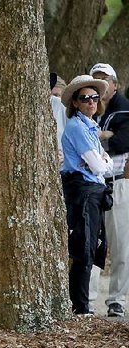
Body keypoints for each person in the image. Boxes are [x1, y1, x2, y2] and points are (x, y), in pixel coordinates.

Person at [59, 75, 111, 315]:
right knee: (84, 247)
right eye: (85, 98)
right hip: (83, 193)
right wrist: (99, 162)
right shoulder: (77, 127)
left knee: (93, 247)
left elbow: (105, 165)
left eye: (94, 97)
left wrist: (100, 162)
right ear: (76, 103)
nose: (91, 102)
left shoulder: (91, 127)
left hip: (94, 192)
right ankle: (80, 307)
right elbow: (101, 167)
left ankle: (82, 304)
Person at [88, 63, 129, 317]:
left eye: (105, 79)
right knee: (90, 244)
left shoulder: (124, 108)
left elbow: (123, 141)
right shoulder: (85, 107)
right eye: (96, 79)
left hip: (117, 182)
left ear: (115, 84)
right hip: (92, 184)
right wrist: (106, 135)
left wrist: (101, 138)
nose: (101, 84)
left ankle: (117, 300)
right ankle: (86, 300)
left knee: (121, 244)